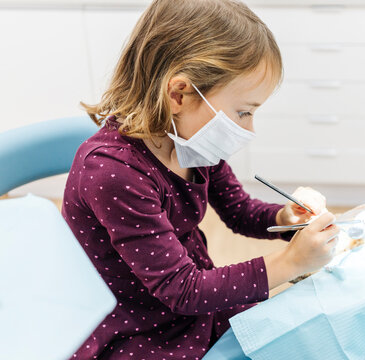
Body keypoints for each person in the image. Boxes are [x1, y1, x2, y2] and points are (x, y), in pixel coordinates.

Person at [62, 0, 339, 358]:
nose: (249, 128)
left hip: (193, 301)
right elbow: (182, 289)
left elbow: (239, 210)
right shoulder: (114, 172)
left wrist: (283, 219)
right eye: (243, 112)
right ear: (179, 94)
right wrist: (292, 263)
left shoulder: (191, 142)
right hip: (139, 324)